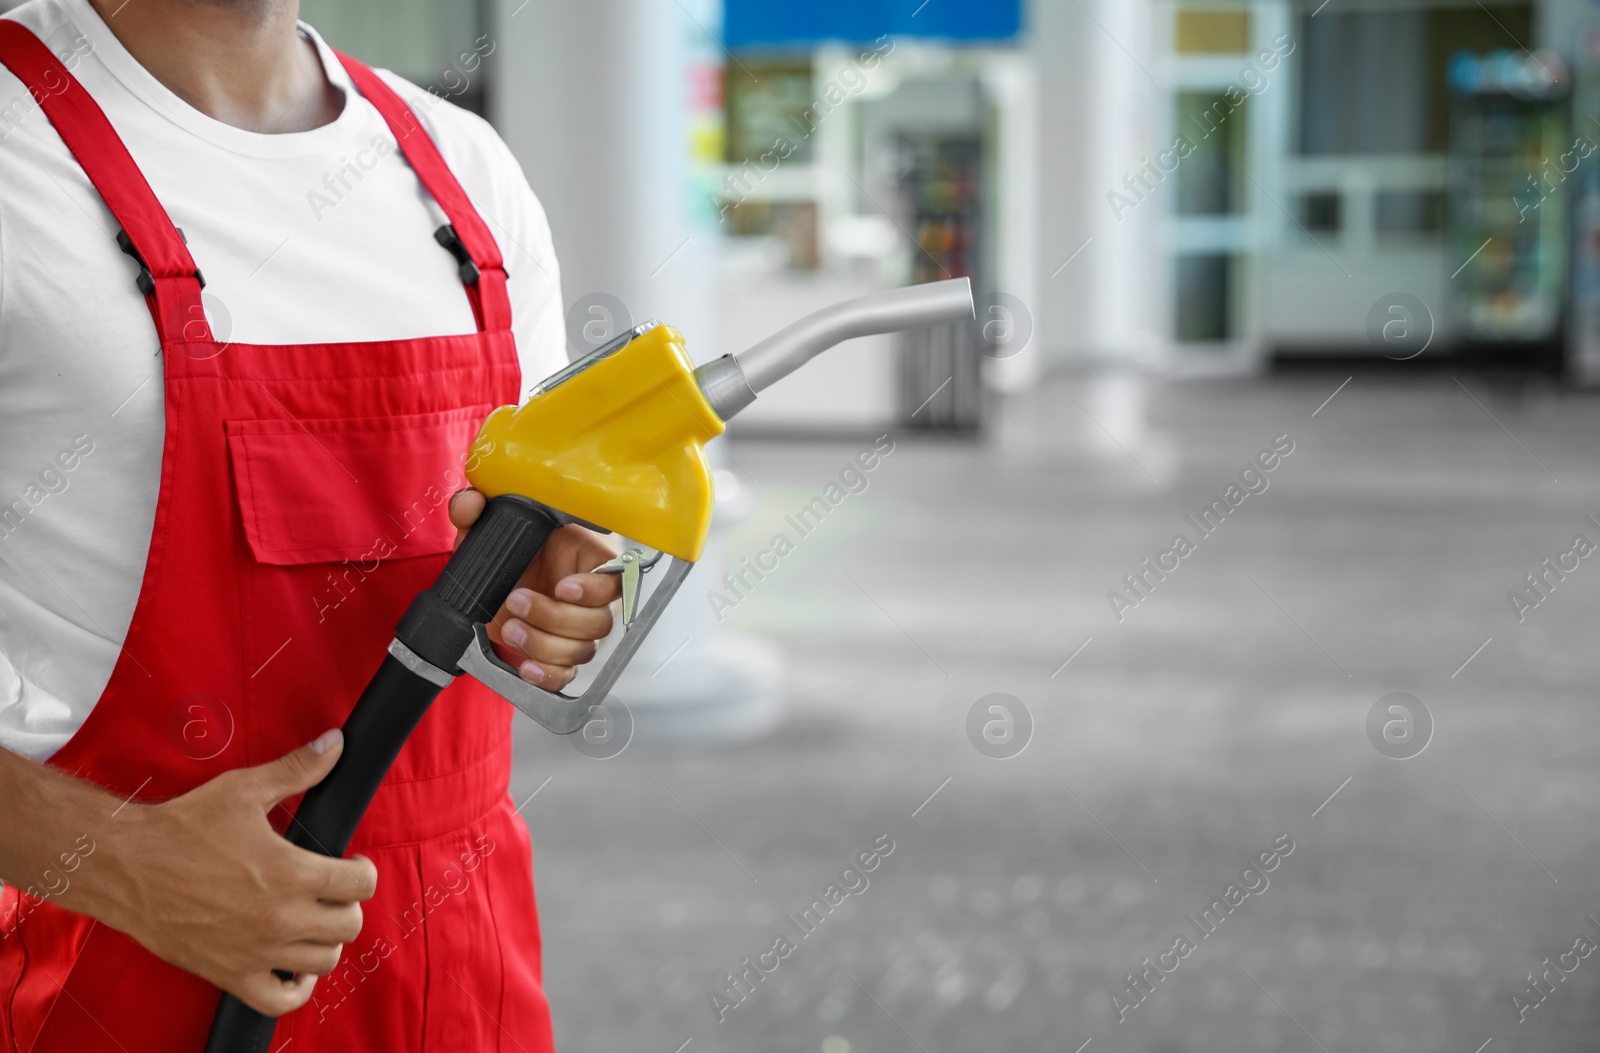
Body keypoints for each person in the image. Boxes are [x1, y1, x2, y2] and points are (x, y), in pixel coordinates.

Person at [0, 0, 619, 1049]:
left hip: (467, 980)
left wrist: (556, 599)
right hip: (123, 982)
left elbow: (551, 568)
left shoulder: (467, 173)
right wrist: (116, 861)